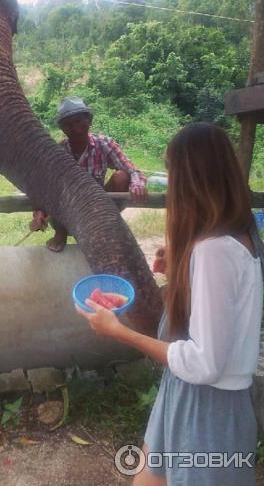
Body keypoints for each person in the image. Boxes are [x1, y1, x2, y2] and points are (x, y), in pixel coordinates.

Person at [77, 122, 263, 485]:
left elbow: (205, 363)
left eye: (175, 173)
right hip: (183, 393)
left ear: (192, 180)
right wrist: (181, 270)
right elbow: (226, 310)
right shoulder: (240, 238)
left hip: (208, 410)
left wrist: (121, 333)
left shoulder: (213, 251)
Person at [31, 96, 148, 252]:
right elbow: (45, 185)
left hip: (98, 204)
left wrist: (138, 185)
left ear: (89, 121)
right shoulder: (59, 151)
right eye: (68, 124)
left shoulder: (104, 143)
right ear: (62, 129)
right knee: (54, 189)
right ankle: (61, 232)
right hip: (69, 205)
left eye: (79, 121)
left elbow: (131, 169)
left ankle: (105, 224)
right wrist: (40, 211)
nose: (75, 128)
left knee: (122, 177)